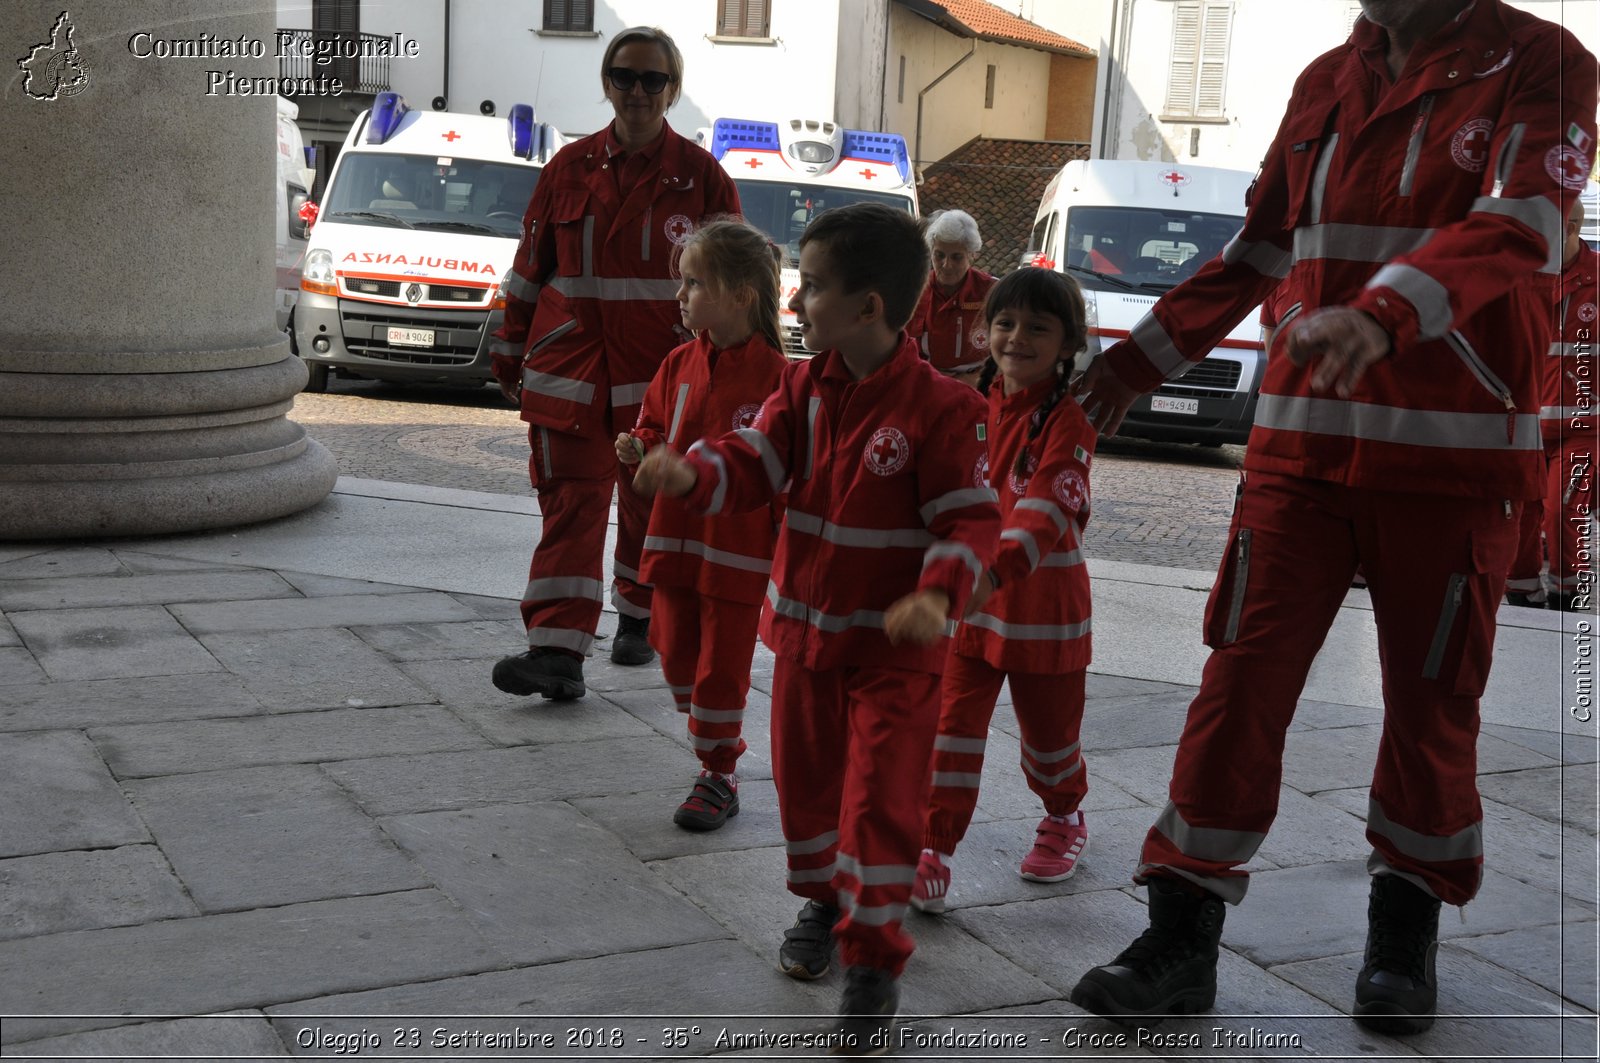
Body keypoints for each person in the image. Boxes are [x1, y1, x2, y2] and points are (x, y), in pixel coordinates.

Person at [1068, 0, 1597, 1036]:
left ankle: (1402, 933)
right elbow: (1263, 247)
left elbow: (1532, 221)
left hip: (1451, 462)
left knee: (1430, 708)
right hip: (1298, 454)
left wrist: (1386, 308)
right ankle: (1180, 935)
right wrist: (1138, 360)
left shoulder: (1544, 63)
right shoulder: (1325, 79)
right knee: (1237, 684)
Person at [631, 202, 999, 1050]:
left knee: (878, 803)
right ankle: (823, 900)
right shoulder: (801, 386)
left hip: (892, 659)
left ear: (868, 307)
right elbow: (758, 455)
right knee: (807, 793)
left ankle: (873, 964)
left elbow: (973, 523)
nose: (795, 304)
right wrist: (695, 473)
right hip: (803, 644)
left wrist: (939, 595)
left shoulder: (941, 409)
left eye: (816, 287)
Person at [489, 27, 741, 702]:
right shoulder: (567, 170)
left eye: (652, 80)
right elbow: (528, 273)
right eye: (625, 77)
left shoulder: (703, 178)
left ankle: (639, 610)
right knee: (570, 506)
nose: (638, 91)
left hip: (662, 375)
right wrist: (509, 349)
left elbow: (741, 282)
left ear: (673, 90)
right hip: (572, 369)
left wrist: (734, 366)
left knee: (648, 501)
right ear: (607, 84)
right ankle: (556, 651)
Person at [909, 268, 1098, 915]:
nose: (1017, 337)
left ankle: (1064, 815)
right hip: (969, 612)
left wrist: (990, 572)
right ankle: (932, 850)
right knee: (949, 732)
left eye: (1038, 327)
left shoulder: (1069, 422)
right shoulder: (967, 405)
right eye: (1005, 323)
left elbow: (1045, 511)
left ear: (1068, 342)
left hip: (1043, 615)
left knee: (1049, 744)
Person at [614, 220, 788, 830]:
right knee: (672, 650)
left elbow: (786, 469)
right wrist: (640, 446)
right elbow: (655, 424)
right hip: (675, 539)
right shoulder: (677, 363)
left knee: (720, 669)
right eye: (681, 282)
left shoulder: (779, 379)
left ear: (740, 294)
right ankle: (709, 734)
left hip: (737, 553)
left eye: (694, 283)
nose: (681, 295)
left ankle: (719, 770)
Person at [1539, 197, 1599, 611]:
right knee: (1523, 519)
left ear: (1571, 228)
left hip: (1583, 427)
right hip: (1524, 426)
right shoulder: (1522, 276)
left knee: (1563, 510)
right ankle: (1521, 590)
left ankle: (1568, 595)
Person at [905, 209, 997, 388]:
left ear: (972, 254)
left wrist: (976, 379)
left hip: (979, 386)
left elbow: (1009, 349)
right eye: (939, 255)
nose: (946, 265)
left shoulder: (993, 291)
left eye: (956, 257)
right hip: (925, 383)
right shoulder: (914, 290)